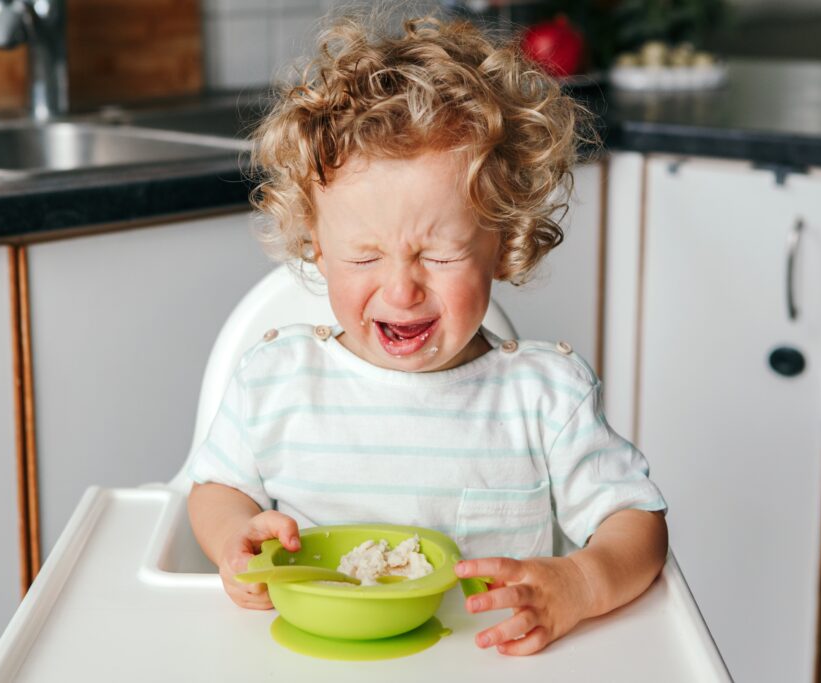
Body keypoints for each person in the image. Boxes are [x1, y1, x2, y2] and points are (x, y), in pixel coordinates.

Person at [187, 7, 668, 656]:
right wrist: (234, 537)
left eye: (439, 256)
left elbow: (637, 524)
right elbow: (217, 488)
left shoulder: (545, 399)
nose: (402, 289)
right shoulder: (275, 382)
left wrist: (578, 582)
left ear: (503, 244)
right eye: (364, 257)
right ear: (316, 246)